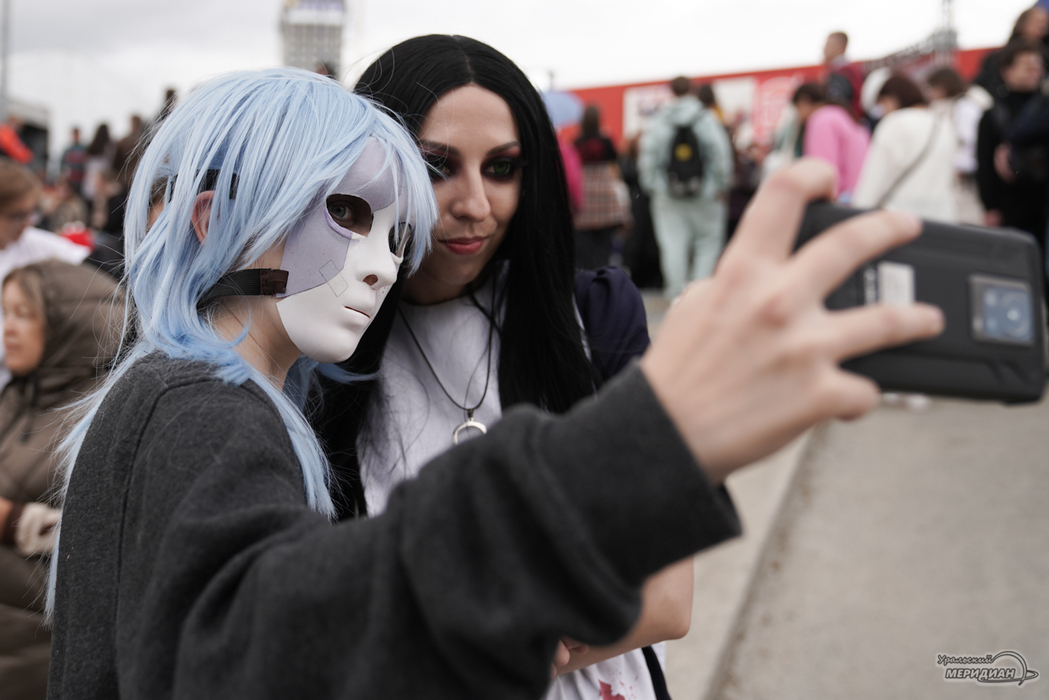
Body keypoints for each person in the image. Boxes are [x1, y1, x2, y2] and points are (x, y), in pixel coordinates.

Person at [47, 68, 944, 700]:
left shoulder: (193, 395)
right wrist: (650, 436)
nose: (378, 264)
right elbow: (271, 648)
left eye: (397, 234)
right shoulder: (202, 408)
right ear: (217, 219)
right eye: (349, 214)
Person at [340, 35, 681, 700]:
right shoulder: (327, 350)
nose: (475, 204)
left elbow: (667, 598)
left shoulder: (596, 316)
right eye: (437, 167)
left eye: (501, 169)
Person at [0, 260, 123, 700]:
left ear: (66, 321)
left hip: (34, 647)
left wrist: (16, 522)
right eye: (4, 312)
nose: (8, 329)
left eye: (23, 314)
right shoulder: (16, 396)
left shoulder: (98, 417)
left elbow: (111, 539)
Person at [639, 76, 733, 298]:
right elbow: (719, 153)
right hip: (706, 193)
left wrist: (653, 187)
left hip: (667, 194)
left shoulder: (660, 120)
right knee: (707, 244)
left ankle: (676, 296)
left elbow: (648, 157)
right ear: (692, 90)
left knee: (673, 245)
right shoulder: (706, 118)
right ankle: (699, 297)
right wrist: (722, 184)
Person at [0, 160, 88, 386]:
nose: (26, 224)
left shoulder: (31, 242)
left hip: (24, 383)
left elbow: (87, 263)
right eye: (18, 216)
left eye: (32, 214)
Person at [853, 73, 958, 222]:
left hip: (900, 222)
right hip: (942, 221)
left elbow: (872, 184)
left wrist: (857, 215)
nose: (882, 113)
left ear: (890, 99)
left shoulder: (894, 123)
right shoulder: (944, 124)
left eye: (881, 105)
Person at [976, 39, 1047, 247]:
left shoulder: (1044, 107)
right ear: (1007, 71)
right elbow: (985, 162)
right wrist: (991, 207)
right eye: (1028, 67)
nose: (1035, 72)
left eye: (1038, 67)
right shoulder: (993, 114)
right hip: (1010, 205)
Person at [926, 67, 993, 225]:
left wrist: (958, 169)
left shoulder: (964, 107)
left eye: (932, 88)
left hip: (964, 183)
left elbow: (972, 143)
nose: (930, 94)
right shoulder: (950, 107)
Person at [791, 82, 870, 202]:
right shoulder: (844, 115)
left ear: (803, 102)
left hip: (839, 202)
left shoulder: (821, 120)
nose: (798, 116)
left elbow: (822, 169)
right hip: (860, 196)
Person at [573, 105, 630, 269]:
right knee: (605, 240)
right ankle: (603, 271)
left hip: (584, 191)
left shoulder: (577, 142)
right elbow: (615, 160)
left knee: (585, 241)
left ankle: (588, 273)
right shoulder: (605, 140)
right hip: (604, 190)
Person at [823, 31, 866, 121]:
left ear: (839, 47)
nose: (824, 49)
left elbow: (837, 106)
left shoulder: (842, 73)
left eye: (828, 45)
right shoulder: (851, 70)